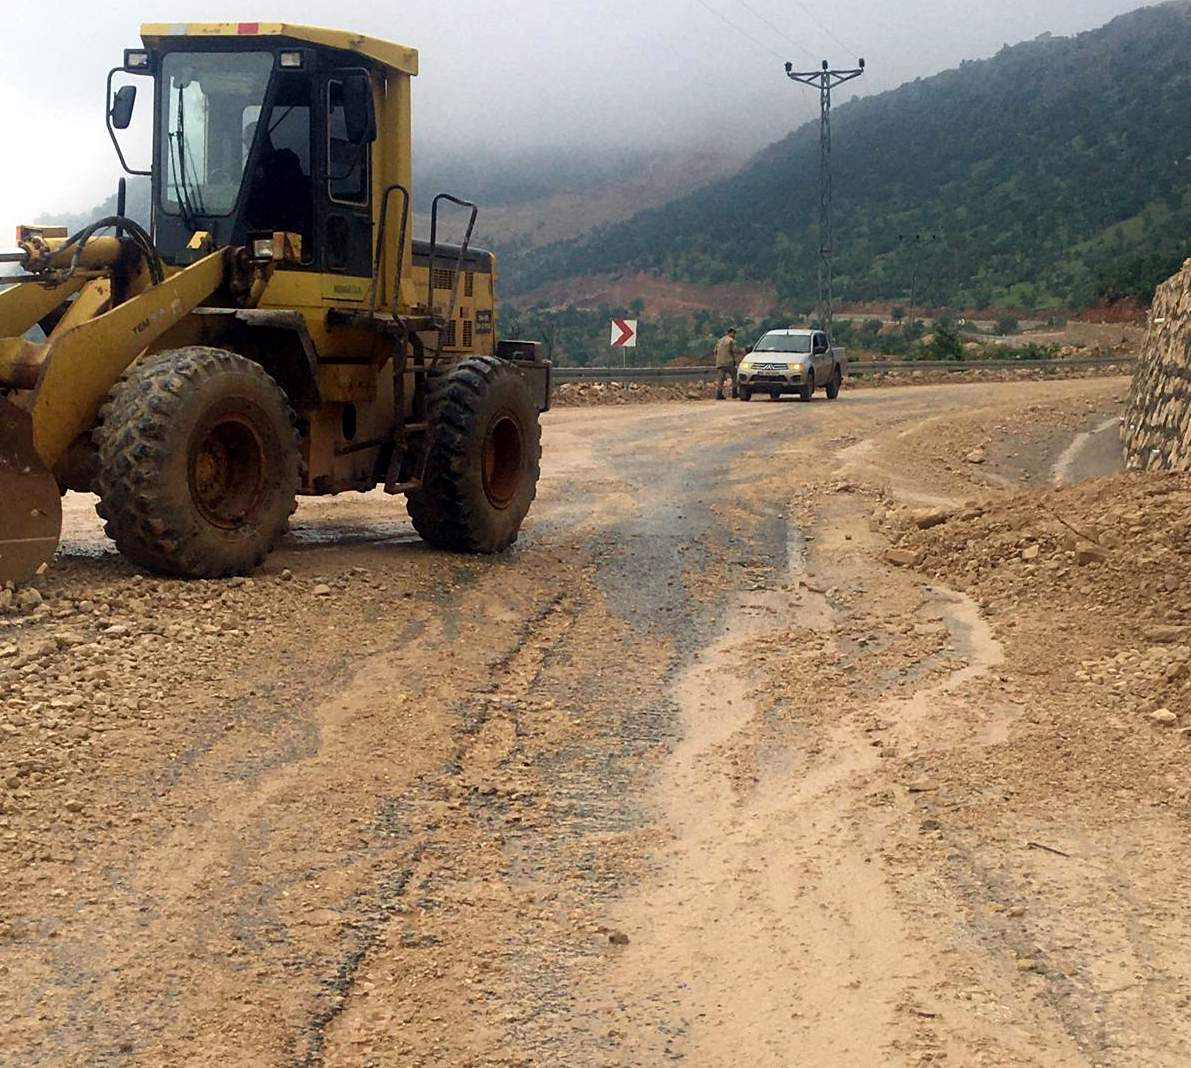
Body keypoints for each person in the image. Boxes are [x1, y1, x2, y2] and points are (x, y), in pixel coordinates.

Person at [714, 328, 743, 400]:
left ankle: (719, 394)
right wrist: (743, 351)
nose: (734, 336)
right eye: (734, 334)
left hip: (720, 362)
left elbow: (715, 351)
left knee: (720, 379)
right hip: (729, 362)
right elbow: (735, 350)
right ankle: (734, 393)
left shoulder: (719, 341)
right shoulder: (731, 341)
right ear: (731, 333)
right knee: (734, 377)